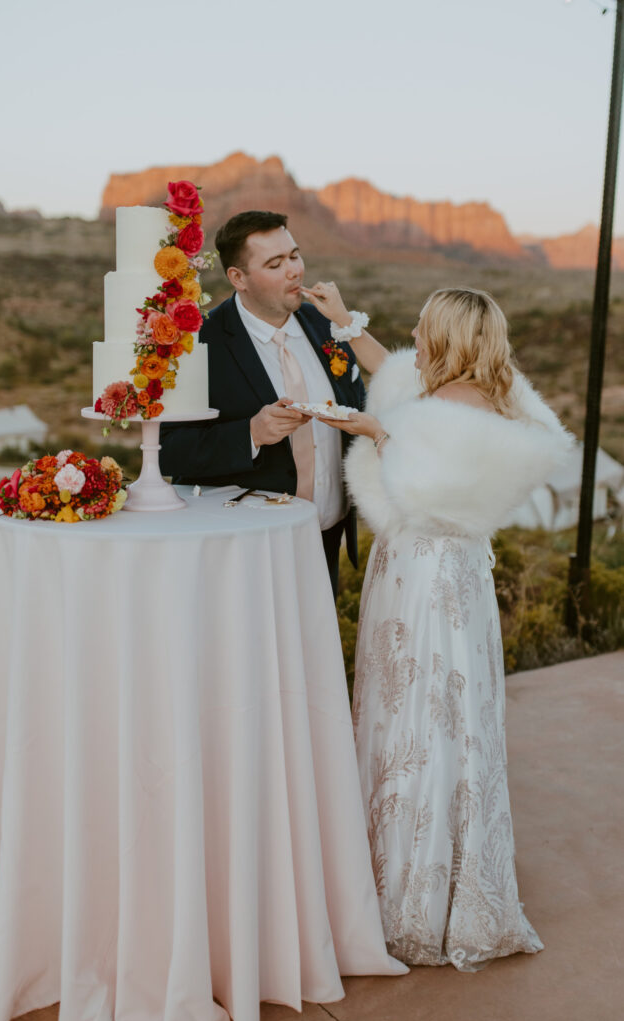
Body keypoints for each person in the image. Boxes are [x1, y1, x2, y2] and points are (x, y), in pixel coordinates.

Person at [301, 282, 573, 970]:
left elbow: (417, 486)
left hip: (422, 579)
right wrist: (344, 323)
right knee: (452, 718)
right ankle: (450, 872)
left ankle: (411, 900)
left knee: (416, 719)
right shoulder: (489, 398)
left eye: (422, 330)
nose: (412, 340)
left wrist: (373, 433)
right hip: (454, 575)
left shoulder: (446, 410)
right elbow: (391, 376)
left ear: (447, 342)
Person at [158, 211, 366, 595]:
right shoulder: (199, 344)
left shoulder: (327, 326)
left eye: (294, 255)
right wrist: (251, 434)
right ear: (239, 278)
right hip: (244, 548)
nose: (294, 271)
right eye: (275, 264)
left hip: (327, 538)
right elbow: (169, 451)